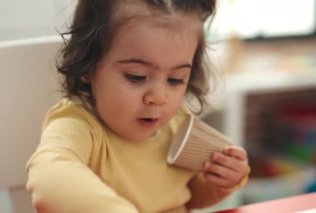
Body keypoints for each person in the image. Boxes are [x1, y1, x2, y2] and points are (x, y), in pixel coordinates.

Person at [26, 0, 250, 212]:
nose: (159, 97)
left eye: (175, 79)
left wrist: (220, 180)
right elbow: (49, 176)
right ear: (88, 66)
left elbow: (187, 196)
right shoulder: (77, 124)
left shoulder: (177, 124)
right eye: (136, 76)